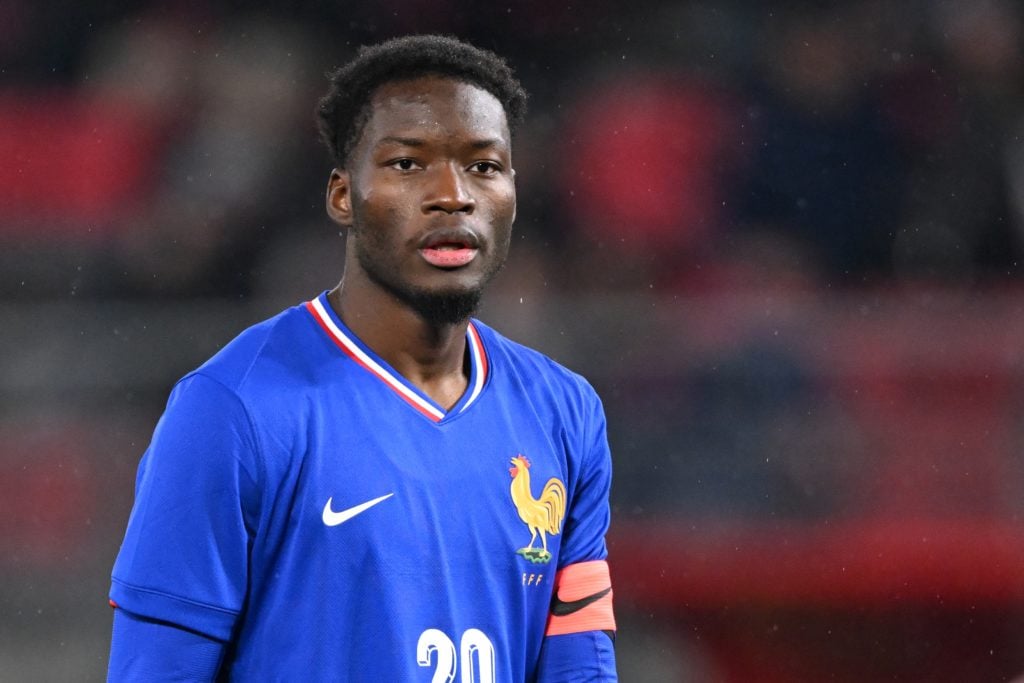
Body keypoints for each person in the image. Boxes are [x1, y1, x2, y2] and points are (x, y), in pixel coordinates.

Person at [107, 35, 617, 681]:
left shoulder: (565, 413)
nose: (452, 194)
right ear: (343, 195)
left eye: (484, 166)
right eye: (409, 165)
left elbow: (581, 670)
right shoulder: (232, 410)